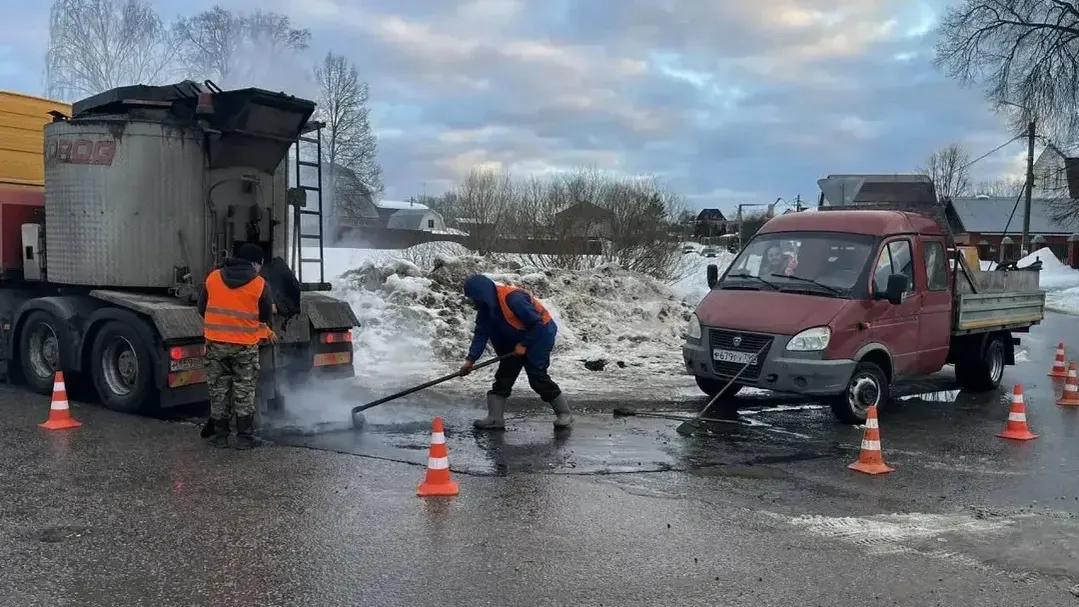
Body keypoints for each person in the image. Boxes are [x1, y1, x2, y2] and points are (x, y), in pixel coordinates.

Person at [460, 274, 573, 430]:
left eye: (474, 298)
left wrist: (524, 344)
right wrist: (470, 360)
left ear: (482, 294)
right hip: (515, 336)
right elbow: (481, 334)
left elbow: (536, 324)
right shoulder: (486, 307)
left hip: (540, 335)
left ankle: (564, 414)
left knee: (537, 376)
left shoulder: (514, 299)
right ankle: (495, 418)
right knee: (505, 375)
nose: (473, 302)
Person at [197, 243, 276, 449]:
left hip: (215, 344)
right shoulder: (260, 284)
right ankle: (244, 438)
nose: (259, 268)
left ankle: (220, 436)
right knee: (244, 390)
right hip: (245, 347)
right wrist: (263, 331)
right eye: (259, 264)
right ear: (253, 263)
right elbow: (265, 316)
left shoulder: (213, 277)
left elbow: (201, 307)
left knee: (219, 389)